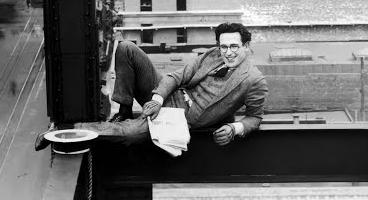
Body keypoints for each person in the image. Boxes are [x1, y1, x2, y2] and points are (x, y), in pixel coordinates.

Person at [35, 22, 269, 151]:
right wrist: (157, 99)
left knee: (128, 134)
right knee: (126, 47)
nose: (227, 53)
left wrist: (235, 129)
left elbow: (254, 118)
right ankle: (124, 109)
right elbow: (177, 77)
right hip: (170, 96)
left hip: (181, 118)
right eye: (224, 46)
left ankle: (61, 131)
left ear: (246, 45)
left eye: (234, 47)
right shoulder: (212, 55)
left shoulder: (253, 80)